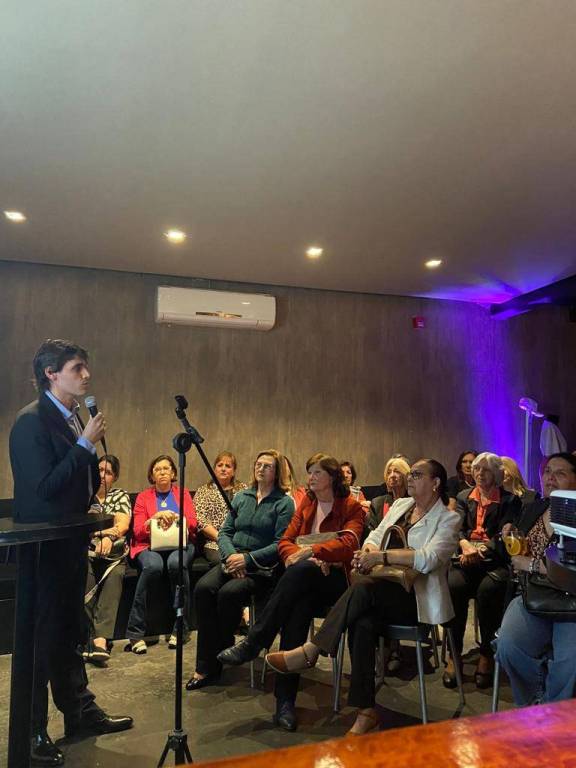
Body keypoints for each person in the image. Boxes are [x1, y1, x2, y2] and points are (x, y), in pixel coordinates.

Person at [263, 459, 460, 735]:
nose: (410, 478)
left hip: (415, 599)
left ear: (436, 483)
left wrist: (381, 557)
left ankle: (312, 650)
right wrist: (367, 551)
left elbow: (429, 558)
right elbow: (374, 535)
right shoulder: (402, 505)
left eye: (417, 474)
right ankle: (366, 711)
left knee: (362, 590)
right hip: (378, 591)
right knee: (362, 620)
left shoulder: (449, 519)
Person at [9, 339, 132, 767]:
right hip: (44, 551)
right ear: (51, 373)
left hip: (71, 543)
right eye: (77, 367)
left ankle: (79, 712)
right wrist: (83, 447)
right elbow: (42, 489)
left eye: (85, 367)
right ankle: (32, 731)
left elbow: (74, 478)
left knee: (68, 634)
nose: (86, 375)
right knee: (42, 641)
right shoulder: (30, 422)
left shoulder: (73, 417)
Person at [217, 453, 365, 731]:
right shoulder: (307, 502)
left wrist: (314, 553)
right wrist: (299, 557)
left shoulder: (351, 507)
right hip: (305, 579)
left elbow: (349, 543)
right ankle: (284, 703)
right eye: (309, 472)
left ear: (332, 477)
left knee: (300, 573)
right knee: (296, 610)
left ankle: (256, 640)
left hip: (336, 584)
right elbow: (285, 541)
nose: (310, 478)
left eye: (317, 472)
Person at [186, 450, 295, 690]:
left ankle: (211, 663)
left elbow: (281, 543)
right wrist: (231, 556)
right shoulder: (242, 496)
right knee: (203, 588)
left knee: (229, 593)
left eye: (267, 466)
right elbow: (225, 532)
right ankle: (210, 660)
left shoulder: (283, 503)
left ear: (277, 472)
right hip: (232, 557)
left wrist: (247, 560)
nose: (261, 469)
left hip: (261, 568)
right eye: (258, 464)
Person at [496, 453, 576, 705]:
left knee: (569, 663)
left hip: (571, 601)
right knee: (508, 646)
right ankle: (534, 704)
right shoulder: (535, 507)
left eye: (560, 473)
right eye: (547, 471)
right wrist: (508, 537)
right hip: (533, 593)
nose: (550, 477)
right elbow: (514, 555)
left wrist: (533, 564)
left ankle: (554, 714)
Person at [445, 451, 522, 689]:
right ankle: (453, 654)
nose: (479, 473)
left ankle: (486, 655)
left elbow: (504, 537)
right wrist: (465, 545)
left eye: (486, 470)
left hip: (493, 562)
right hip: (465, 557)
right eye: (477, 469)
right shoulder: (463, 496)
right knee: (453, 586)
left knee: (489, 591)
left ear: (497, 474)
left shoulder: (510, 501)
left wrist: (480, 551)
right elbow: (455, 528)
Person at [126, 454, 197, 653]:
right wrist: (154, 519)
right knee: (152, 566)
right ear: (152, 475)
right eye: (157, 469)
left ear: (173, 473)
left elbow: (193, 524)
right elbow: (137, 531)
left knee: (176, 564)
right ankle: (135, 632)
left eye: (166, 468)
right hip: (148, 545)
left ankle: (180, 629)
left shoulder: (182, 494)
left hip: (180, 544)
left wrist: (176, 517)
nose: (162, 472)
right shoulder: (143, 497)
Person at [84, 454, 132, 665]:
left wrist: (108, 537)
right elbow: (79, 526)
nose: (103, 475)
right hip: (87, 552)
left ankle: (100, 640)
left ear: (115, 477)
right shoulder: (84, 496)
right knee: (83, 576)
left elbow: (122, 524)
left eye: (109, 472)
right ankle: (87, 637)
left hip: (114, 555)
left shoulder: (119, 495)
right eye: (100, 470)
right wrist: (99, 535)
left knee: (115, 576)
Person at [194, 451, 247, 564]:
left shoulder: (243, 489)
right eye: (220, 465)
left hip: (240, 542)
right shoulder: (204, 491)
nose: (223, 469)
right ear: (214, 469)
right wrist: (222, 539)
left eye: (228, 466)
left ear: (233, 471)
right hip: (215, 543)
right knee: (229, 561)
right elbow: (200, 519)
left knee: (246, 561)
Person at [366, 456, 411, 532]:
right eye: (389, 472)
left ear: (405, 475)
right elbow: (372, 531)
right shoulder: (377, 503)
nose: (392, 475)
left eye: (397, 471)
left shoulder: (414, 503)